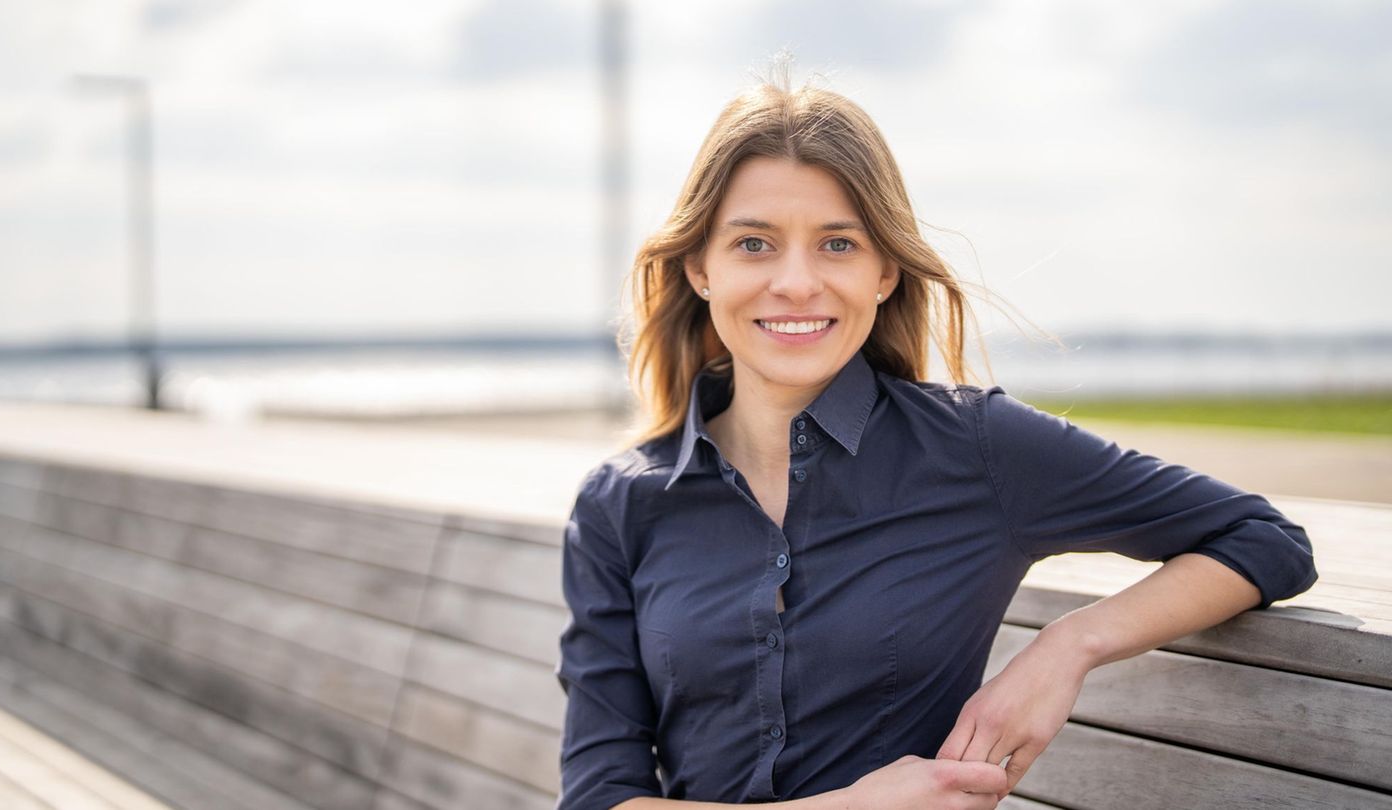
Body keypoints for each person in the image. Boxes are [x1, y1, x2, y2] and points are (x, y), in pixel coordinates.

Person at [553, 69, 1317, 810]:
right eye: (754, 244)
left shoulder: (977, 448)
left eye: (838, 244)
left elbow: (1261, 538)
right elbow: (598, 798)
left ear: (886, 270)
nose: (794, 282)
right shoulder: (620, 504)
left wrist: (1070, 645)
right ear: (699, 268)